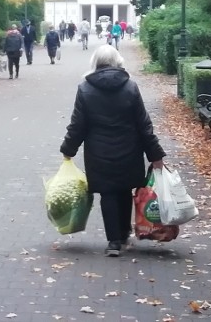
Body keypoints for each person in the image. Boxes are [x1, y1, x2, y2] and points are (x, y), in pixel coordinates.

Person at [60, 45, 166, 257]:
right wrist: (155, 155)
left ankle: (113, 242)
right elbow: (143, 125)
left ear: (95, 62)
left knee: (107, 194)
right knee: (124, 190)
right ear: (118, 61)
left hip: (99, 152)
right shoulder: (130, 87)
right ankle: (124, 233)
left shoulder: (85, 89)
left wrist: (68, 149)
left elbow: (78, 125)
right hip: (129, 149)